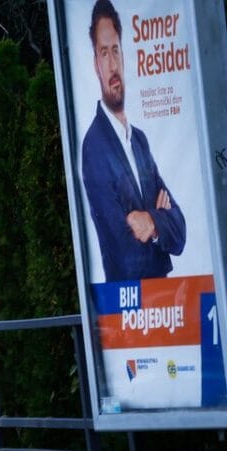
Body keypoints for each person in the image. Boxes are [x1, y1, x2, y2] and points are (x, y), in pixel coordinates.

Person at [81, 0, 186, 282]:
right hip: (128, 310)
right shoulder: (94, 147)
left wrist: (150, 222)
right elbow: (124, 254)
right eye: (104, 53)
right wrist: (161, 222)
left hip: (165, 306)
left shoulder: (138, 140)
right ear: (96, 65)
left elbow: (181, 232)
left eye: (116, 50)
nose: (113, 64)